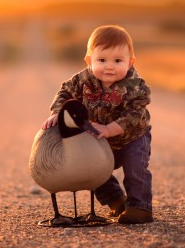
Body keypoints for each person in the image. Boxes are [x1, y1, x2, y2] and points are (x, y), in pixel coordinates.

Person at [42, 25, 153, 224]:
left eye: (118, 61)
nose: (109, 66)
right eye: (101, 60)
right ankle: (117, 201)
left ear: (130, 62)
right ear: (89, 60)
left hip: (132, 138)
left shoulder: (136, 86)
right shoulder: (83, 80)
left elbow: (135, 114)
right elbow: (65, 93)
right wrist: (58, 111)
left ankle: (140, 207)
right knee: (94, 170)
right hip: (99, 137)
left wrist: (110, 129)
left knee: (135, 170)